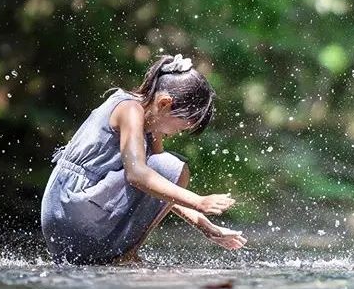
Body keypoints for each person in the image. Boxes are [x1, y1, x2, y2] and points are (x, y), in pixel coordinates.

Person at [41, 53, 246, 264]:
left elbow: (159, 190)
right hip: (71, 209)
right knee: (174, 167)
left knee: (167, 168)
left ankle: (123, 256)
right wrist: (198, 201)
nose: (176, 133)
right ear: (165, 103)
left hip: (67, 216)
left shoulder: (151, 125)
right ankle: (127, 257)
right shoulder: (130, 110)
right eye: (181, 126)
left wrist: (206, 226)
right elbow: (137, 175)